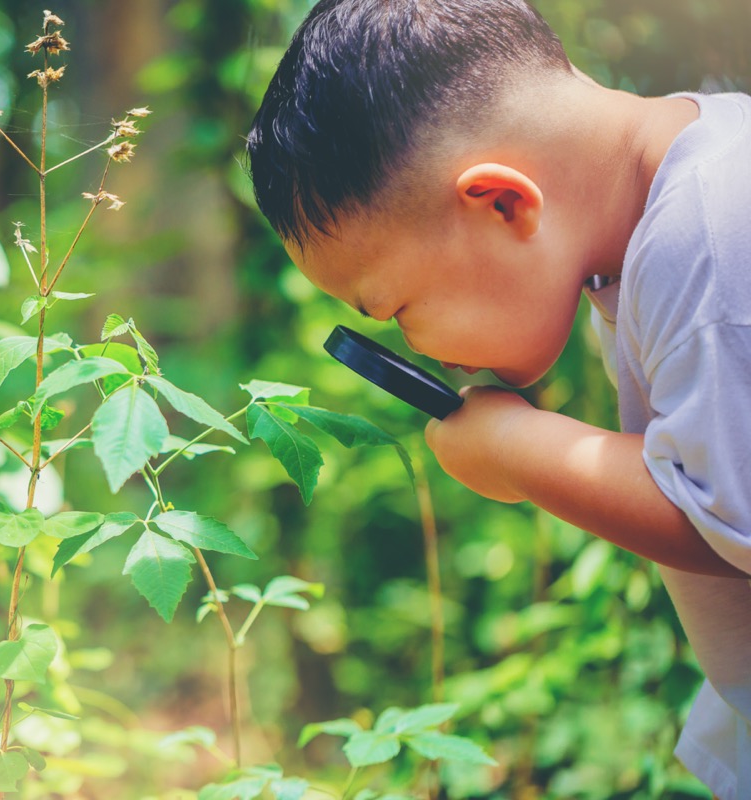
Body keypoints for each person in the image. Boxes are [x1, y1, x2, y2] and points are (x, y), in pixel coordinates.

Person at [245, 0, 751, 795]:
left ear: (503, 203)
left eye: (399, 310)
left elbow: (733, 514)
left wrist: (518, 452)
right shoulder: (668, 216)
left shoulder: (714, 237)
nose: (419, 349)